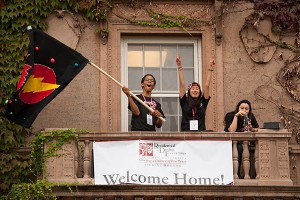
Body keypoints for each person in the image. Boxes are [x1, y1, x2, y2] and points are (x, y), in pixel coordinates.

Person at [176, 55, 215, 131]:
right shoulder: (184, 101)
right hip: (186, 134)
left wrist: (211, 68)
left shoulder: (203, 101)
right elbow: (182, 84)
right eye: (193, 89)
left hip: (200, 134)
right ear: (189, 91)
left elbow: (207, 86)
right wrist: (179, 67)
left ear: (200, 91)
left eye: (197, 89)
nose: (195, 90)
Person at [224, 99, 259, 178]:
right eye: (242, 108)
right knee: (239, 148)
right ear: (238, 108)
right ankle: (235, 174)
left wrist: (251, 129)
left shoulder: (250, 116)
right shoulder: (230, 115)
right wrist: (236, 116)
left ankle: (241, 173)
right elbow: (231, 130)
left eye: (246, 109)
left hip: (244, 143)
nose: (244, 110)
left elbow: (257, 129)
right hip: (231, 143)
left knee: (241, 148)